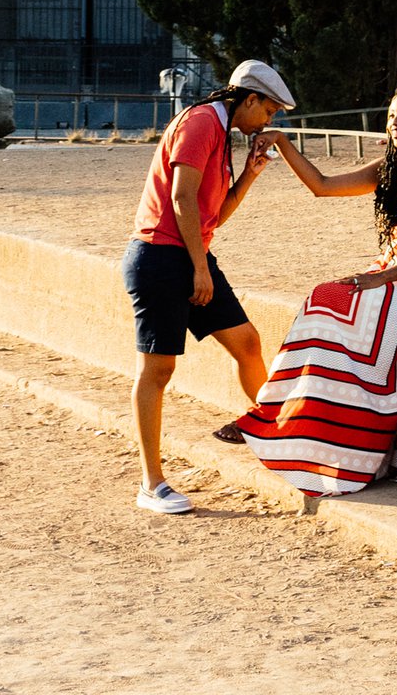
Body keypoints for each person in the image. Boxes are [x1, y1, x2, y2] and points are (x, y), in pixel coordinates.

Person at [223, 81, 397, 499]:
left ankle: (350, 446)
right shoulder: (391, 165)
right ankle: (282, 420)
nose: (395, 122)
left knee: (358, 317)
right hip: (390, 272)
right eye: (391, 115)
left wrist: (380, 279)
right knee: (323, 299)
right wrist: (282, 142)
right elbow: (322, 184)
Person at [122, 57, 295, 515]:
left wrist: (250, 174)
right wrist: (199, 269)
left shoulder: (221, 133)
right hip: (160, 257)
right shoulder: (201, 123)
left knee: (247, 342)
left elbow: (213, 216)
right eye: (268, 111)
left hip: (189, 254)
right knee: (157, 371)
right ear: (250, 99)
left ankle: (276, 439)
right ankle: (151, 484)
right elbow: (180, 198)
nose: (267, 121)